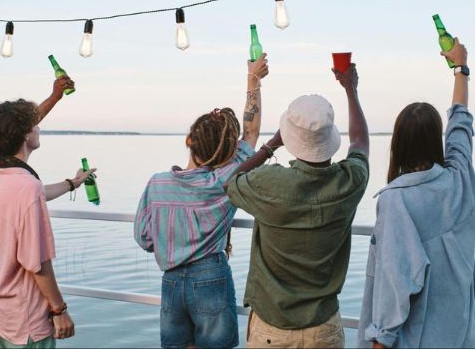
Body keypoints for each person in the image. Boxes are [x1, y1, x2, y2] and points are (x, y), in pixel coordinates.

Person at [134, 54, 281, 349]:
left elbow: (144, 238)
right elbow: (251, 132)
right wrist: (253, 79)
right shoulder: (223, 182)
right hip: (211, 277)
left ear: (190, 140)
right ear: (226, 151)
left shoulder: (157, 183)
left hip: (171, 282)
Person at [227, 63, 369, 348]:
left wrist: (272, 145)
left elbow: (231, 181)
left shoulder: (268, 183)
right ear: (329, 139)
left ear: (290, 138)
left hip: (272, 329)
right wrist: (351, 90)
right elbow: (360, 141)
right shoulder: (350, 181)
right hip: (323, 329)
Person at [358, 38, 474, 348]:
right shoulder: (460, 181)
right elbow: (460, 126)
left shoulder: (396, 201)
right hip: (460, 335)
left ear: (397, 144)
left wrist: (380, 340)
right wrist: (461, 68)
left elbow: (395, 280)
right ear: (436, 140)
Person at [0, 93, 96, 348]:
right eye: (34, 124)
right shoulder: (26, 187)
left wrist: (73, 183)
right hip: (27, 320)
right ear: (24, 134)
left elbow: (34, 193)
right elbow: (37, 263)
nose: (38, 127)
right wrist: (59, 310)